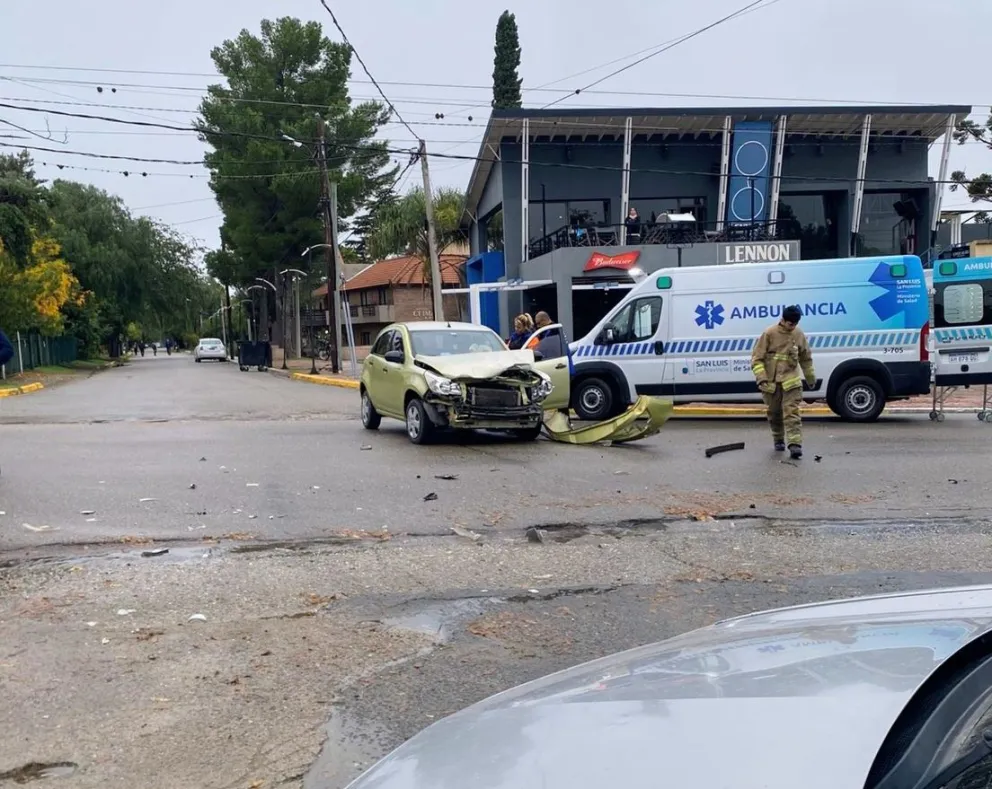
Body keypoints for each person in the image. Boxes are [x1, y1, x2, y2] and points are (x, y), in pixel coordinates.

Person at [750, 305, 815, 460]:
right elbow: (757, 359)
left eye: (795, 324)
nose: (793, 326)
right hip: (771, 383)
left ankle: (795, 445)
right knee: (775, 413)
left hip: (791, 382)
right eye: (790, 323)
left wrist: (810, 378)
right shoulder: (769, 334)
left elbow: (806, 358)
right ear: (783, 320)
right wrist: (762, 378)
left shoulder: (799, 335)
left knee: (791, 413)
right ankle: (778, 438)